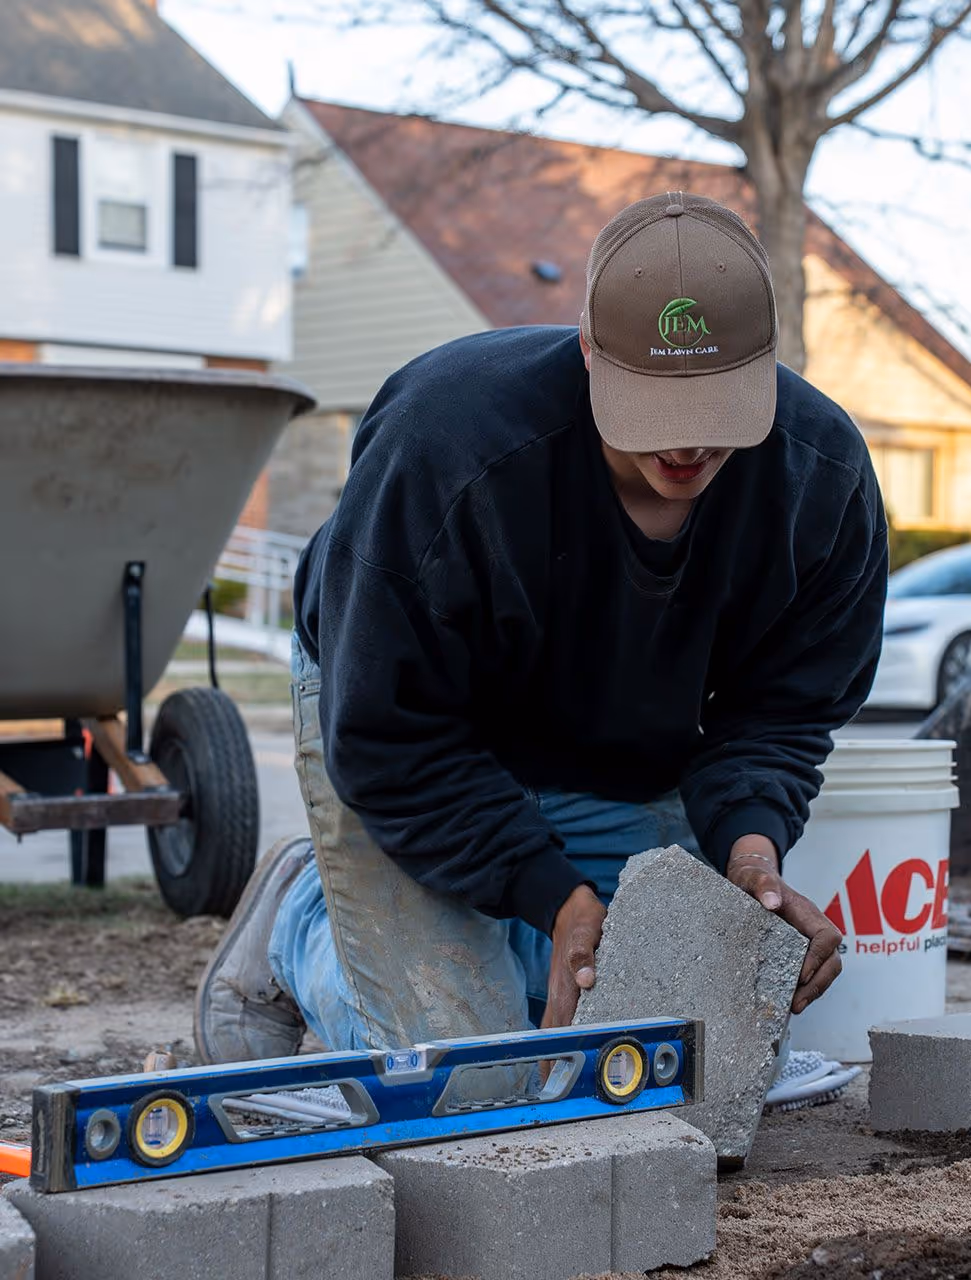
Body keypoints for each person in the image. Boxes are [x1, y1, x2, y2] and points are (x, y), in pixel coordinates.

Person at [194, 191, 888, 1070]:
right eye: (654, 406)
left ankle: (485, 938)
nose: (685, 446)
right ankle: (298, 923)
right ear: (589, 350)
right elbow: (386, 734)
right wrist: (553, 893)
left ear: (766, 364)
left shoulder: (821, 480)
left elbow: (782, 714)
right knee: (475, 1080)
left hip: (610, 740)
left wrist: (752, 855)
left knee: (659, 1047)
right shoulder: (446, 446)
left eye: (713, 407)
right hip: (406, 727)